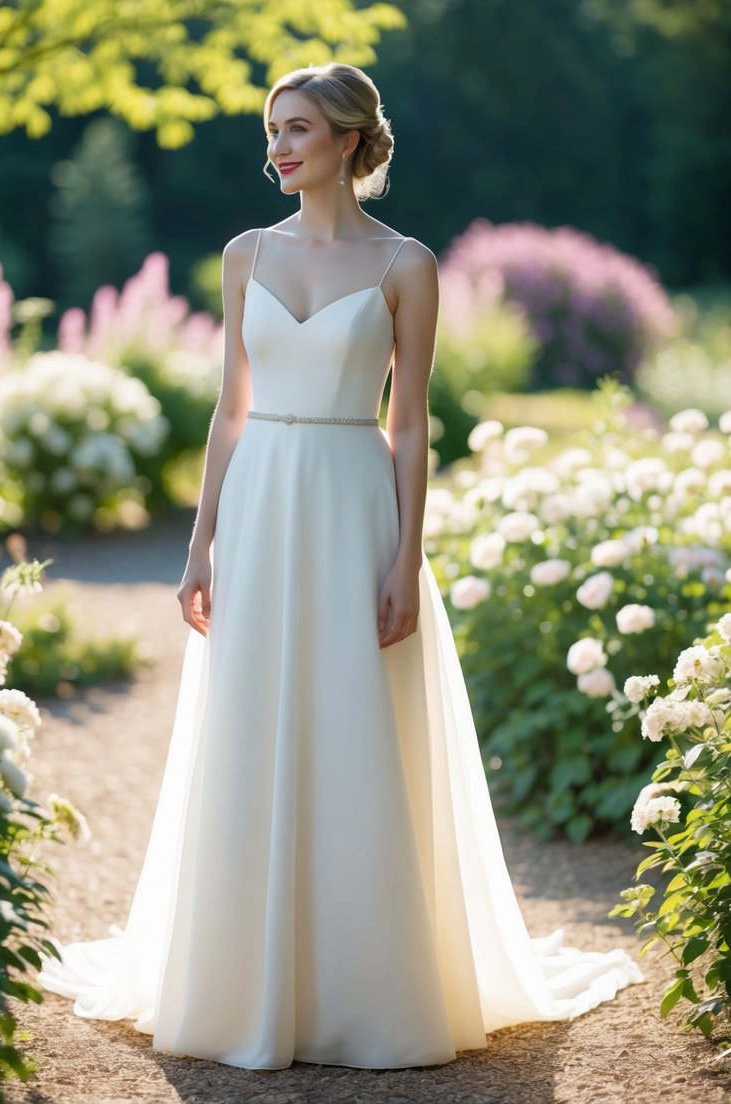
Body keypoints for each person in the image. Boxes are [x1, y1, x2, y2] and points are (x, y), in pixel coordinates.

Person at [36, 62, 644, 1070]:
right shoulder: (243, 254)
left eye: (299, 129)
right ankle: (247, 977)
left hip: (354, 500)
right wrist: (200, 542)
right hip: (263, 502)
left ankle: (366, 984)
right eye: (272, 129)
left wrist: (407, 555)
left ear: (351, 142)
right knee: (253, 722)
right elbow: (229, 411)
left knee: (357, 728)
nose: (277, 147)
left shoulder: (407, 264)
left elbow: (409, 427)